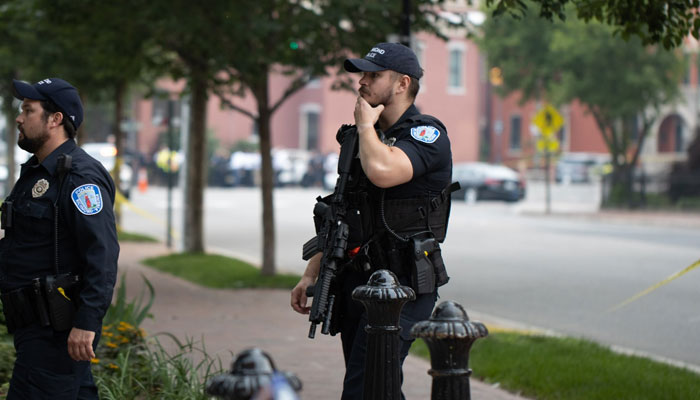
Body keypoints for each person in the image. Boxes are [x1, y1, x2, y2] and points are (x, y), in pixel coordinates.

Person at [290, 43, 454, 399]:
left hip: (404, 285)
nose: (361, 82)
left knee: (365, 388)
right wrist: (311, 273)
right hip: (357, 281)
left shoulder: (427, 134)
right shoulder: (362, 137)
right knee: (378, 386)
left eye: (373, 75)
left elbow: (383, 171)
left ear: (401, 84)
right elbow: (341, 211)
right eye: (362, 74)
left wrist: (366, 126)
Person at [0, 77, 119, 399]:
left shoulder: (80, 177)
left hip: (55, 330)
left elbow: (102, 254)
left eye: (28, 110)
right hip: (33, 328)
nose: (19, 118)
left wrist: (87, 322)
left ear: (55, 120)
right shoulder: (37, 172)